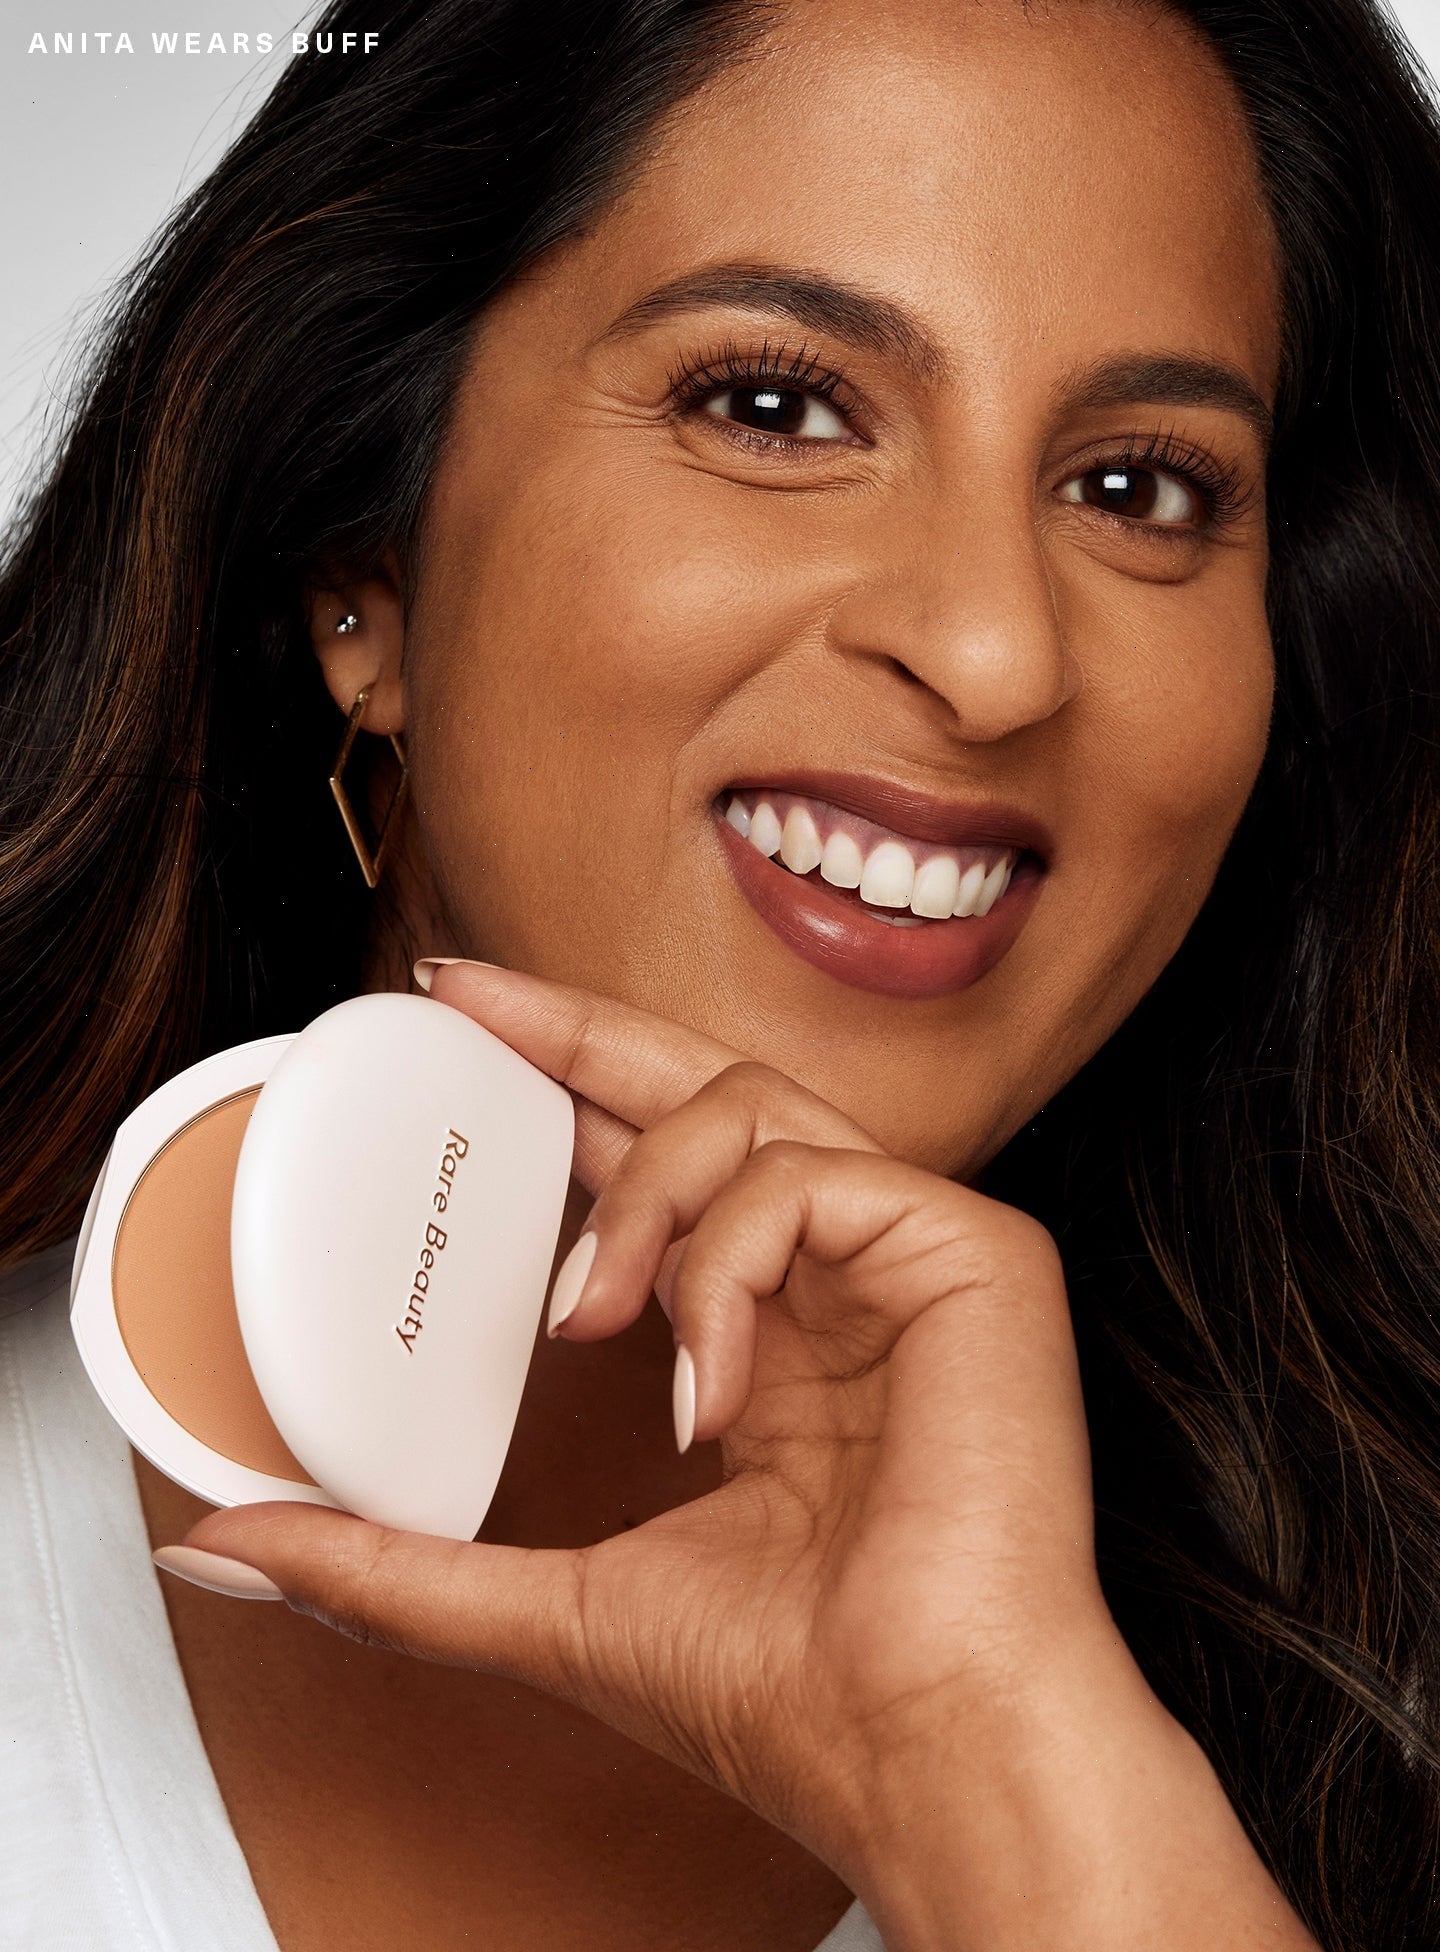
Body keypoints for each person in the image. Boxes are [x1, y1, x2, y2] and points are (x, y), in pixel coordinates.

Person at [2, 0, 1438, 1943]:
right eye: (774, 406)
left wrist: (996, 1771)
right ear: (367, 567)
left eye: (1139, 488)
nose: (997, 654)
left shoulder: (1372, 1699)